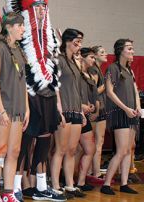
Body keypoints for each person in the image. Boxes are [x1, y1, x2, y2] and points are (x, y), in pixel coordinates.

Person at [5, 0, 66, 201]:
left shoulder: (50, 35)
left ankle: (41, 186)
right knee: (24, 141)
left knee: (45, 140)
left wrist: (58, 100)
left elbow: (54, 68)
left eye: (44, 6)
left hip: (48, 94)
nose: (41, 10)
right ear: (30, 9)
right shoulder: (21, 34)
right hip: (28, 94)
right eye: (37, 6)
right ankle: (17, 186)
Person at [0, 13, 29, 202]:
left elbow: (23, 82)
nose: (23, 29)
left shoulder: (19, 50)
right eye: (20, 26)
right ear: (9, 27)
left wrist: (26, 108)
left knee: (14, 152)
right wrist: (1, 109)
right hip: (1, 108)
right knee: (0, 151)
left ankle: (9, 192)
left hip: (19, 107)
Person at [100, 39, 141, 195]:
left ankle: (124, 183)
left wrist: (137, 107)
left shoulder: (129, 70)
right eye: (129, 48)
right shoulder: (113, 68)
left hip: (131, 113)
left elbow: (136, 91)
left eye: (132, 48)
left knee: (128, 150)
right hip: (120, 113)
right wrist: (125, 108)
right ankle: (106, 184)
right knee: (122, 150)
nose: (132, 51)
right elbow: (109, 92)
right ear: (120, 50)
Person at [50, 28, 86, 198]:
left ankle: (70, 184)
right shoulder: (59, 59)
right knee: (61, 149)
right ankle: (56, 185)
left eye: (81, 42)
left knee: (72, 150)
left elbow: (77, 89)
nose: (79, 45)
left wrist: (81, 111)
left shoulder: (74, 63)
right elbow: (54, 85)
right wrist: (58, 108)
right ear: (67, 41)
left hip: (76, 110)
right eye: (76, 41)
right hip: (63, 109)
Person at [75, 47, 97, 191]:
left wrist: (91, 106)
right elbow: (71, 93)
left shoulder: (89, 75)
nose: (93, 60)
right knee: (68, 150)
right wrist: (81, 106)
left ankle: (79, 181)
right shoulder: (76, 74)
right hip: (74, 114)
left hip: (85, 115)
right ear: (82, 58)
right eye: (91, 57)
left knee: (88, 149)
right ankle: (69, 179)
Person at [89, 45, 108, 180]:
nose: (105, 54)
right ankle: (96, 173)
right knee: (97, 142)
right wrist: (107, 84)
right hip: (97, 109)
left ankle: (92, 171)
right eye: (102, 52)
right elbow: (93, 91)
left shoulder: (98, 70)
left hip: (100, 108)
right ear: (95, 56)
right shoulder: (94, 70)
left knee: (96, 142)